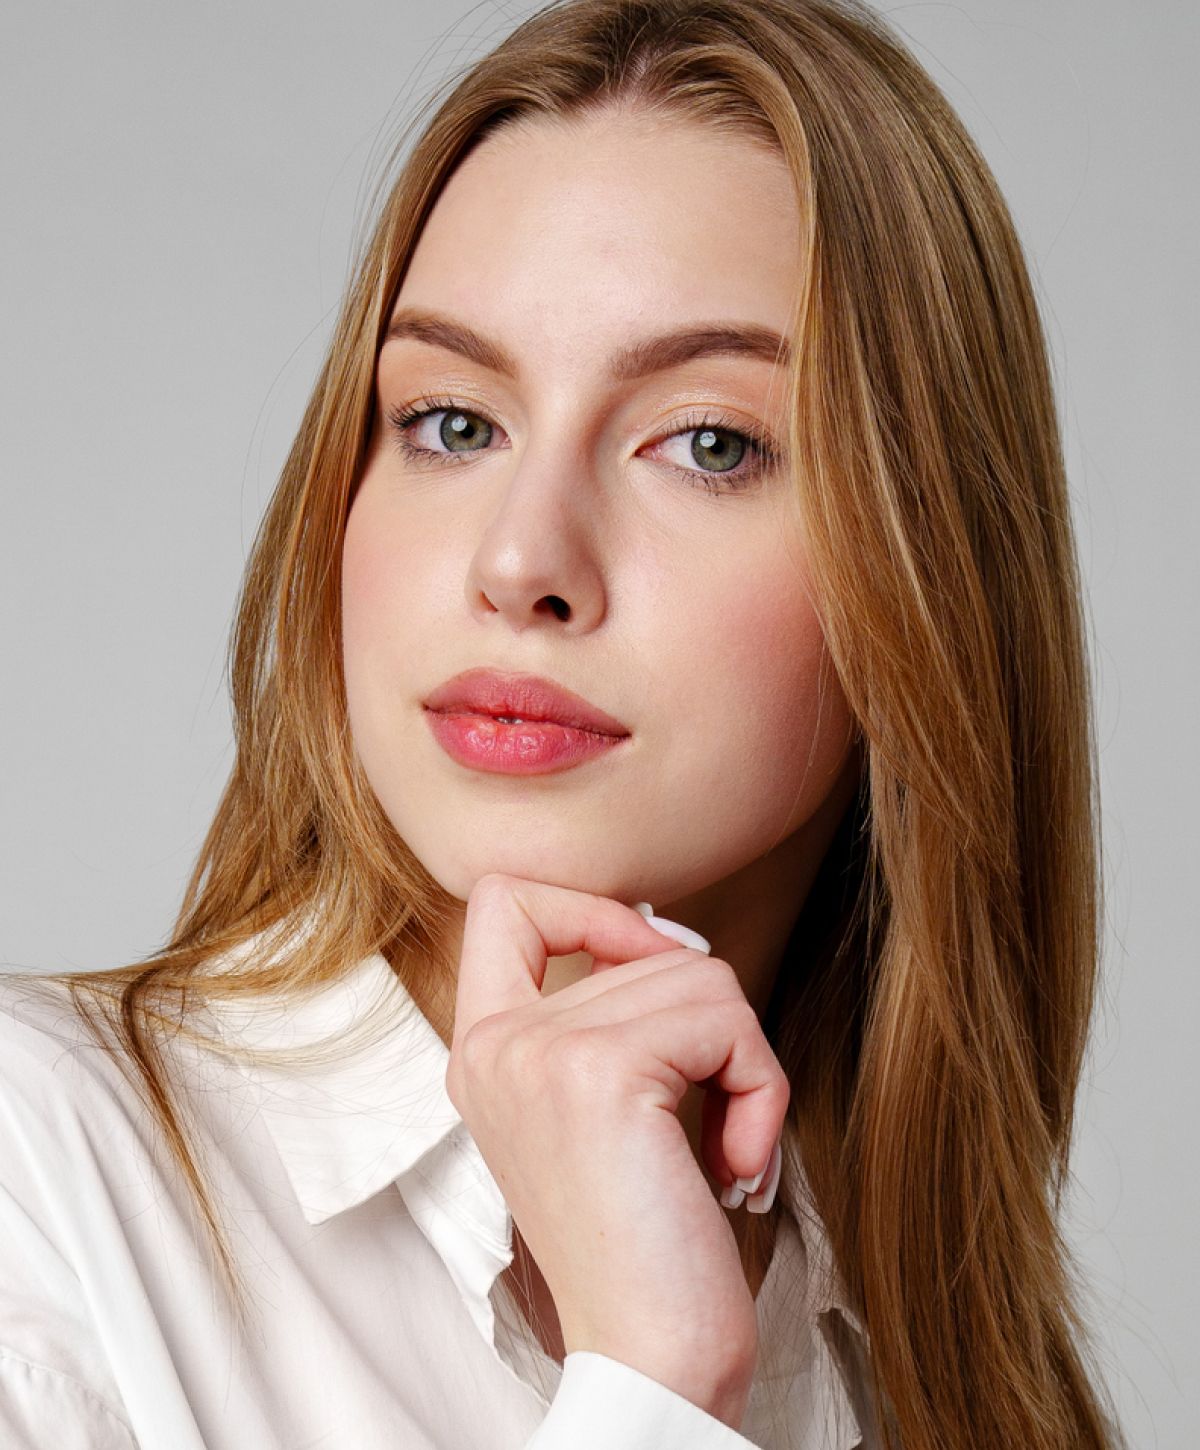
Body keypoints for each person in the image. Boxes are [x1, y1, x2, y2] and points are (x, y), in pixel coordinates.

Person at [0, 0, 1128, 1446]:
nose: (521, 559)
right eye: (453, 422)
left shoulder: (953, 1372)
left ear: (932, 569)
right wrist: (651, 1382)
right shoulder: (45, 1184)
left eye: (708, 443)